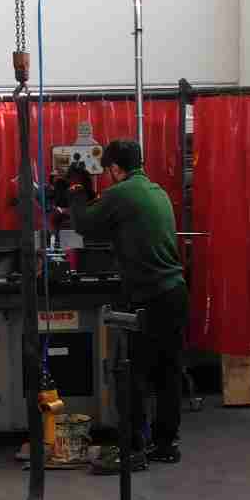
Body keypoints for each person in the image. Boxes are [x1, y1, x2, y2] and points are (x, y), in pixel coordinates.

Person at [65, 137, 188, 469]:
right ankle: (165, 445)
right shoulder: (156, 191)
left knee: (131, 374)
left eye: (108, 171)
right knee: (167, 374)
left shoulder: (121, 193)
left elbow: (84, 226)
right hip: (175, 294)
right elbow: (118, 225)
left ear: (116, 169)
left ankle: (132, 449)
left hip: (147, 299)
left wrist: (75, 190)